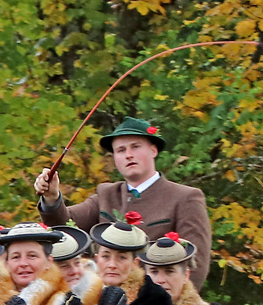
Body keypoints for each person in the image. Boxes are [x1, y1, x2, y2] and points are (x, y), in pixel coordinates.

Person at [33, 117, 214, 289]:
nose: (128, 155)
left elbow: (195, 264)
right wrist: (51, 197)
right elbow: (65, 228)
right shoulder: (106, 194)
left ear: (153, 150)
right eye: (120, 150)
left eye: (135, 147)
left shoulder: (185, 197)